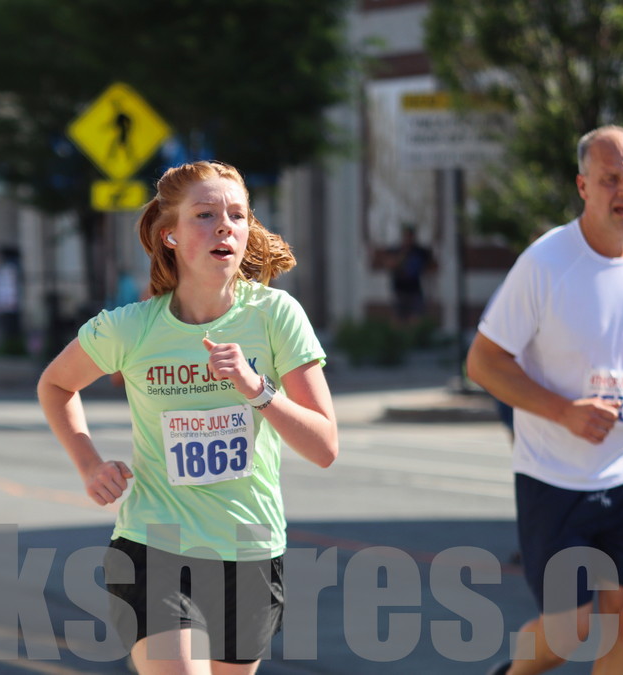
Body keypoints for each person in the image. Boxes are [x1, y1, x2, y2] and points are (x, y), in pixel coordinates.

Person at [37, 160, 337, 672]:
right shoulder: (131, 327)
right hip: (153, 546)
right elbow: (56, 384)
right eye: (205, 215)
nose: (225, 226)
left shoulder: (275, 315)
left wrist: (258, 390)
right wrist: (88, 463)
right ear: (169, 235)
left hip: (250, 547)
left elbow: (324, 448)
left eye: (237, 215)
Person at [466, 125, 623, 675]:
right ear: (583, 186)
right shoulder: (545, 262)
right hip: (555, 477)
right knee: (569, 632)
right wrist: (563, 412)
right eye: (610, 179)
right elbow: (484, 363)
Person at [379, 224, 436, 323]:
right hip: (399, 290)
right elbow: (389, 264)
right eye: (406, 236)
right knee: (398, 320)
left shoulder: (420, 251)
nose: (408, 239)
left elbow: (433, 266)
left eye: (410, 236)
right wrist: (402, 255)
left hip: (415, 290)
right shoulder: (397, 250)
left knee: (416, 319)